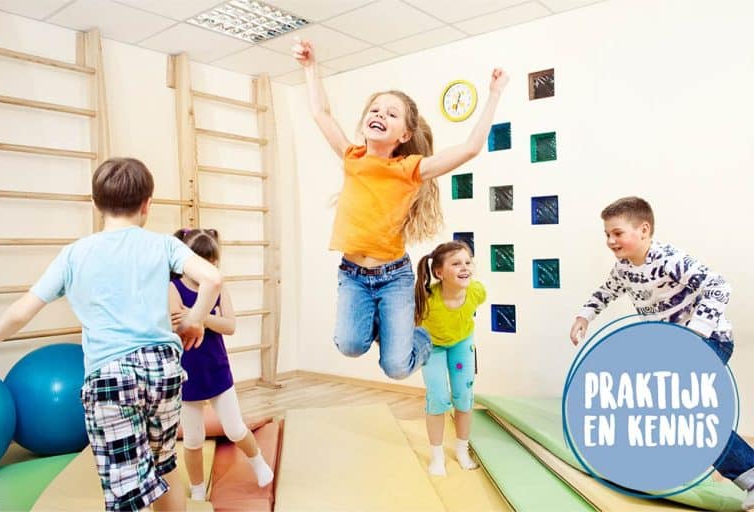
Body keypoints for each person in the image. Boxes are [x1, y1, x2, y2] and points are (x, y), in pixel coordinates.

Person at [0, 157, 222, 511]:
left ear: (96, 204)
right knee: (165, 464)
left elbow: (23, 309)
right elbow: (213, 279)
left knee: (126, 490)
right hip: (162, 370)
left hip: (111, 377)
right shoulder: (163, 245)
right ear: (147, 205)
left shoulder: (74, 255)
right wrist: (194, 321)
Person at [293, 38, 509, 379]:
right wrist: (310, 67)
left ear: (405, 134)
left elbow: (469, 149)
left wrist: (494, 94)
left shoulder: (410, 169)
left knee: (396, 367)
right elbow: (321, 113)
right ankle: (388, 326)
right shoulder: (352, 157)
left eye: (391, 114)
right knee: (350, 345)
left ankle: (421, 338)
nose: (380, 114)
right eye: (375, 110)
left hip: (393, 277)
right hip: (352, 275)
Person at [569, 196, 754, 510]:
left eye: (617, 233)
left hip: (709, 340)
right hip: (670, 348)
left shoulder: (670, 259)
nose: (611, 240)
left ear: (644, 230)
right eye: (607, 234)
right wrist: (584, 316)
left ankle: (749, 474)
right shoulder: (624, 268)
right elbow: (606, 291)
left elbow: (719, 286)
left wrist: (696, 331)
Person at [169, 228, 273, 501]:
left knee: (235, 428)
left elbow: (230, 326)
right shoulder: (173, 288)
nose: (210, 268)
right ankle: (198, 488)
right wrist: (207, 316)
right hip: (187, 374)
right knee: (193, 439)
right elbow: (178, 325)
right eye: (205, 262)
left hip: (216, 369)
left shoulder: (218, 288)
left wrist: (199, 317)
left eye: (214, 262)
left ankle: (258, 462)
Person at [414, 241, 485, 476]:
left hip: (461, 344)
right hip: (433, 348)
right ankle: (437, 457)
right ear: (439, 273)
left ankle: (462, 450)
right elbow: (412, 323)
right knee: (437, 397)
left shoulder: (477, 292)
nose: (464, 267)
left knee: (464, 395)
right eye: (456, 264)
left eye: (467, 262)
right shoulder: (427, 299)